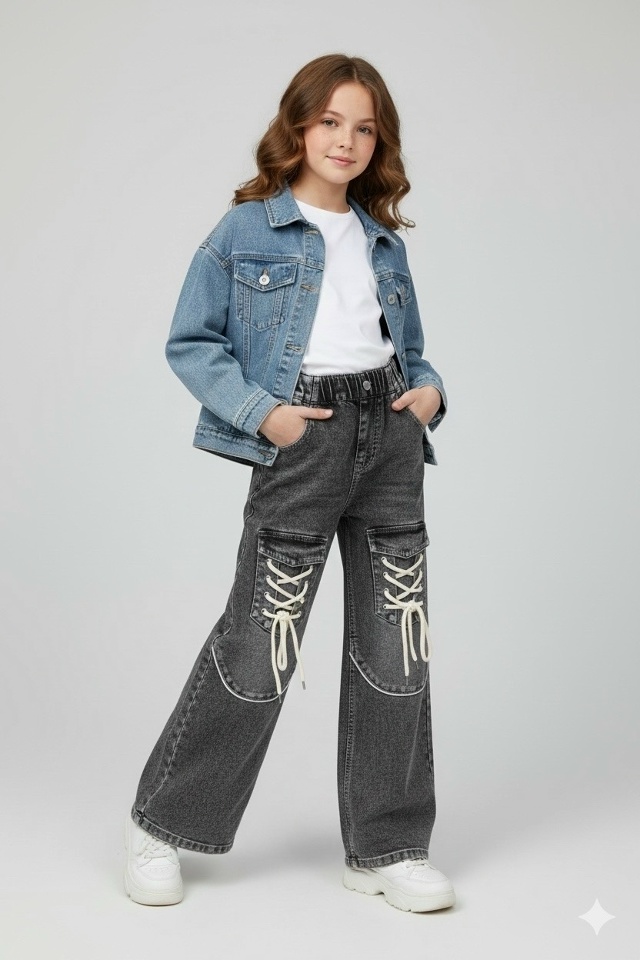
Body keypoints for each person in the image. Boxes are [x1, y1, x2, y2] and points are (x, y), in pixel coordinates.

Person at [124, 52, 455, 914]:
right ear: (298, 126)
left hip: (389, 440)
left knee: (399, 645)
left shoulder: (382, 240)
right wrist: (261, 413)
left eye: (365, 127)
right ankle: (162, 826)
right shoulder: (246, 230)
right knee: (260, 644)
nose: (347, 141)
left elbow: (408, 349)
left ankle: (388, 846)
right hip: (303, 439)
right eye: (331, 122)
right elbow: (191, 341)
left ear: (378, 142)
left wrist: (428, 392)